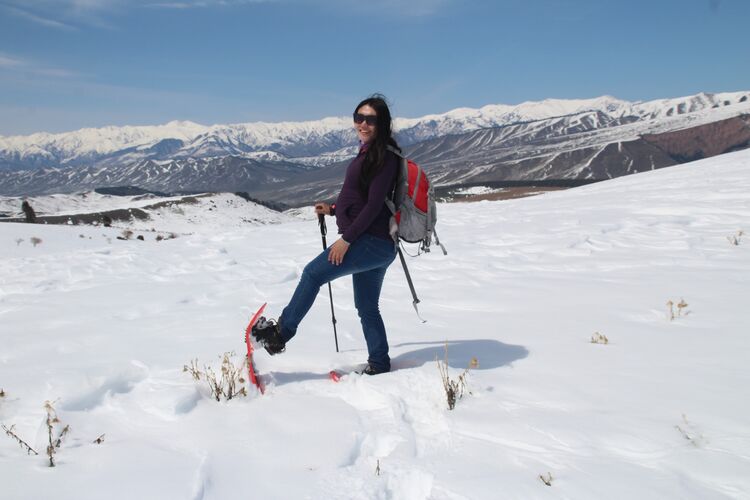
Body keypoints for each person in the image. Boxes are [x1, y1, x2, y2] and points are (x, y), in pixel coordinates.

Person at [252, 94, 401, 375]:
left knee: (312, 274)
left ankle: (279, 334)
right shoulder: (371, 152)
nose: (363, 124)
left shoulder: (384, 156)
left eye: (370, 119)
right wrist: (333, 209)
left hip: (369, 242)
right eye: (359, 117)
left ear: (382, 123)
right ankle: (379, 363)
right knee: (367, 307)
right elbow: (363, 198)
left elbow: (373, 206)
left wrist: (346, 240)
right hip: (378, 245)